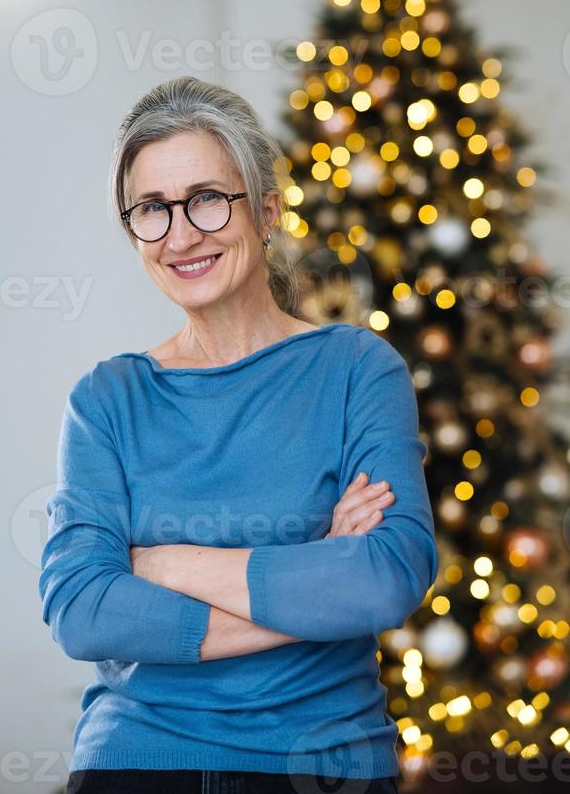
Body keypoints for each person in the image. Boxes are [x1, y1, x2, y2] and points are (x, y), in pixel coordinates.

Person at [39, 76, 438, 794]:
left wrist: (162, 564)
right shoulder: (107, 399)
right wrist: (315, 569)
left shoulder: (354, 369)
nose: (181, 234)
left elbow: (386, 576)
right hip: (137, 761)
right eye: (151, 210)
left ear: (266, 210)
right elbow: (82, 611)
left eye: (206, 199)